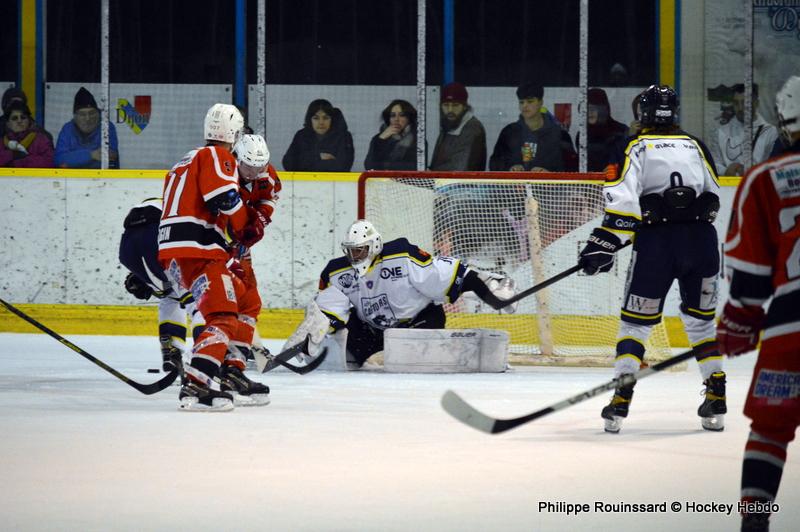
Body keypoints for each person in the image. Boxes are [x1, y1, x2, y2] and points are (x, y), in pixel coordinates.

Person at [578, 85, 724, 433]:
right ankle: (716, 395)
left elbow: (623, 205)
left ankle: (621, 399)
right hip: (702, 242)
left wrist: (602, 244)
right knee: (702, 323)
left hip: (657, 246)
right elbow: (713, 197)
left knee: (635, 326)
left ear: (642, 113)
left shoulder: (634, 145)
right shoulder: (695, 145)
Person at [716, 75, 800, 532]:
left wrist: (741, 319)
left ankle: (755, 522)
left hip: (791, 326)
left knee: (770, 428)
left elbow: (750, 276)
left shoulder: (766, 177)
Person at [284, 220, 517, 369]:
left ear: (374, 246)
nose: (355, 257)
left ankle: (494, 282)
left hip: (419, 322)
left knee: (410, 364)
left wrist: (490, 292)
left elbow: (451, 275)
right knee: (342, 362)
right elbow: (328, 311)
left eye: (360, 250)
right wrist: (311, 332)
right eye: (351, 251)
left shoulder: (402, 256)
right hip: (372, 329)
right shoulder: (337, 272)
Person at [158, 103, 268, 411]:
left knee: (247, 300)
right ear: (235, 133)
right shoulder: (218, 156)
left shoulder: (184, 161)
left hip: (178, 253)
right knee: (222, 316)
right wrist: (247, 225)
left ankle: (232, 370)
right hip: (198, 251)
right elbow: (224, 198)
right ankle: (196, 384)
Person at [118, 198, 201, 373]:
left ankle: (172, 352)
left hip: (128, 249)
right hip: (158, 238)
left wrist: (141, 277)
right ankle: (206, 356)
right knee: (198, 299)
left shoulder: (163, 202)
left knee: (170, 295)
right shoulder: (187, 205)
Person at [489, 83, 564, 172]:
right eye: (521, 102)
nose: (524, 106)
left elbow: (571, 166)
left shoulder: (559, 134)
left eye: (530, 101)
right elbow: (494, 163)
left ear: (540, 102)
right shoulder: (509, 132)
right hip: (515, 181)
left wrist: (550, 175)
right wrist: (510, 169)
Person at [715, 83, 779, 176]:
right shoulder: (721, 132)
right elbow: (714, 164)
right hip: (728, 184)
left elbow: (774, 167)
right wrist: (726, 171)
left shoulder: (770, 132)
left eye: (745, 103)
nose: (740, 108)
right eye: (736, 103)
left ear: (756, 103)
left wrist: (752, 171)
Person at [54, 87, 120, 169]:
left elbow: (111, 159)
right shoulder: (67, 129)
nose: (88, 118)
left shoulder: (106, 126)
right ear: (75, 116)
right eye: (82, 114)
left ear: (98, 113)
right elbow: (59, 160)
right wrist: (91, 155)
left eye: (91, 113)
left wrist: (73, 160)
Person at [282, 99, 354, 172]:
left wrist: (305, 161)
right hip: (305, 179)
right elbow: (288, 164)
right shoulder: (301, 136)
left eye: (326, 118)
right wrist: (318, 157)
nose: (321, 122)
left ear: (332, 119)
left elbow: (342, 166)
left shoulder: (344, 136)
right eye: (316, 118)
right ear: (310, 120)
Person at [429, 82, 486, 171]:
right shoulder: (449, 125)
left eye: (455, 105)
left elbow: (461, 169)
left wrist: (433, 174)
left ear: (464, 107)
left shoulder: (472, 129)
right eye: (446, 105)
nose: (450, 110)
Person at [578, 87, 629, 172]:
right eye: (586, 109)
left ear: (603, 110)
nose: (589, 113)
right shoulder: (583, 134)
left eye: (594, 108)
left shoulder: (621, 131)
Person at [364, 99, 420, 171]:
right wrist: (381, 139)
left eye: (402, 115)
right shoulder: (378, 139)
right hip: (381, 178)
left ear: (409, 118)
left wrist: (386, 165)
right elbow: (369, 166)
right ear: (388, 119)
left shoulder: (419, 140)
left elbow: (414, 167)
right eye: (393, 115)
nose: (396, 119)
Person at [0, 101, 55, 168]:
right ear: (8, 124)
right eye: (15, 118)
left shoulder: (41, 140)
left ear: (29, 120)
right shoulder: (2, 142)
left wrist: (22, 160)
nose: (19, 121)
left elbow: (50, 161)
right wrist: (12, 155)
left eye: (23, 117)